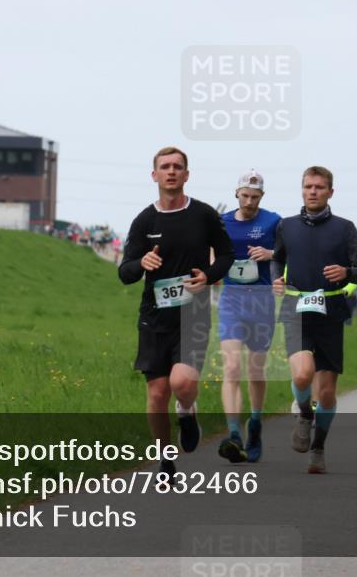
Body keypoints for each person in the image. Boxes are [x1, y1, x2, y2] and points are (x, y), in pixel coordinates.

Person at [118, 147, 234, 479]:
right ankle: (166, 461)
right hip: (154, 317)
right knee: (156, 392)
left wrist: (208, 276)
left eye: (177, 167)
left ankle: (187, 409)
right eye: (164, 167)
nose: (171, 172)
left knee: (181, 382)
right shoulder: (145, 221)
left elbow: (227, 255)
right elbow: (125, 272)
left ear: (186, 175)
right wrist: (141, 263)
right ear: (154, 175)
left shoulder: (204, 215)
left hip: (193, 314)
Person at [272, 166, 357, 473]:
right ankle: (304, 412)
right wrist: (277, 279)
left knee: (327, 392)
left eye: (319, 187)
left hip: (330, 311)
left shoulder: (344, 228)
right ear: (301, 190)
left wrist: (346, 273)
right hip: (295, 308)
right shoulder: (286, 226)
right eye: (307, 186)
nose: (312, 191)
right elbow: (277, 257)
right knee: (302, 374)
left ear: (330, 191)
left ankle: (318, 448)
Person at [216, 170, 281, 464]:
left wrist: (270, 254)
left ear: (262, 197)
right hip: (231, 301)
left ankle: (255, 424)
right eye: (245, 196)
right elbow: (211, 256)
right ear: (237, 194)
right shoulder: (223, 222)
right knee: (230, 367)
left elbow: (287, 252)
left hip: (261, 302)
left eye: (255, 197)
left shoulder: (273, 221)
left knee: (255, 370)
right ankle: (233, 433)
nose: (249, 201)